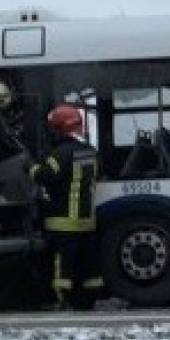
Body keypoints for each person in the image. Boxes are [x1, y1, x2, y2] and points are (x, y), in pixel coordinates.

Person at [28, 103, 103, 310]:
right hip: (87, 222)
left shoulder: (59, 154)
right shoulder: (90, 152)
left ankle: (63, 298)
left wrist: (31, 167)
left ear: (58, 129)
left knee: (63, 265)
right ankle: (89, 299)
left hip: (63, 222)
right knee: (88, 265)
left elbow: (45, 176)